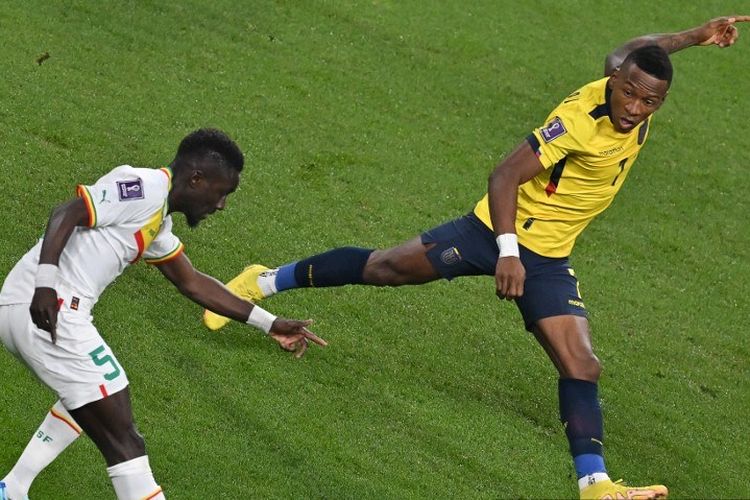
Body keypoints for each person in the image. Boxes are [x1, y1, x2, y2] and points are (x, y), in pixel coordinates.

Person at [203, 16, 749, 500]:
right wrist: (507, 253)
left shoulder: (629, 80)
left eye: (649, 101)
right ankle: (265, 281)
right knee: (384, 269)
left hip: (550, 257)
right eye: (629, 94)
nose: (634, 109)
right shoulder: (580, 121)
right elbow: (505, 175)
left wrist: (697, 36)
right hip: (495, 230)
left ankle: (595, 485)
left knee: (581, 364)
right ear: (613, 85)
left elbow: (637, 47)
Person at [0, 129, 326, 500]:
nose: (221, 205)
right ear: (196, 179)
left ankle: (13, 487)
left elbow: (193, 283)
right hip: (49, 308)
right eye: (222, 193)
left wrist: (269, 323)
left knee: (91, 400)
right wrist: (45, 285)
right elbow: (67, 212)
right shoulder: (142, 187)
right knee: (125, 439)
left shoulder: (157, 219)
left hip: (28, 309)